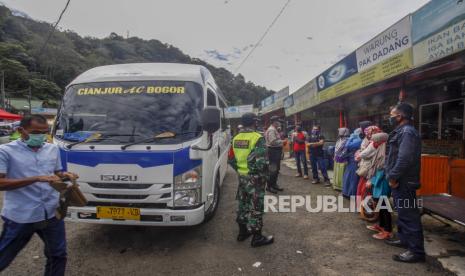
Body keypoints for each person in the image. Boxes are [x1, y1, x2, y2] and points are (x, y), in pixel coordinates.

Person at [0, 115, 78, 275]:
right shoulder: (5, 151)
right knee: (3, 256)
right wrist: (36, 178)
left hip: (51, 213)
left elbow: (56, 172)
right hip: (21, 216)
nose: (40, 136)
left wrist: (66, 175)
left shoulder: (52, 149)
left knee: (58, 255)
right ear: (21, 130)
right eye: (35, 132)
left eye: (44, 132)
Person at [384, 103, 425, 263]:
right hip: (399, 181)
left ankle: (416, 252)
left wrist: (393, 176)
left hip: (404, 182)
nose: (390, 117)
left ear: (400, 116)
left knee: (409, 216)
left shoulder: (407, 132)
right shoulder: (401, 131)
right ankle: (404, 240)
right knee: (402, 213)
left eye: (392, 114)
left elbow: (404, 159)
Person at [228, 112, 274, 247]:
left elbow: (231, 159)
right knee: (256, 207)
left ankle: (242, 233)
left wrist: (241, 171)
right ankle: (257, 237)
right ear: (254, 122)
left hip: (242, 178)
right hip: (255, 179)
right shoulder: (257, 138)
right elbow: (262, 163)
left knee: (243, 204)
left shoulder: (235, 138)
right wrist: (264, 177)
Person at [359, 131, 392, 240]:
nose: (373, 144)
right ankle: (381, 226)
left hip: (382, 183)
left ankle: (388, 231)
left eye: (375, 142)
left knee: (384, 207)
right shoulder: (379, 151)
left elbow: (382, 170)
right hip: (378, 183)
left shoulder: (386, 154)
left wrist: (372, 181)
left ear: (382, 142)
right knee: (380, 205)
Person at [264, 116, 284, 193]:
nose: (279, 123)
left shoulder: (274, 129)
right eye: (278, 121)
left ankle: (274, 184)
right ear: (274, 122)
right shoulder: (271, 130)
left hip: (276, 151)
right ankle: (269, 186)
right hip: (273, 151)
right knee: (273, 170)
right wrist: (282, 141)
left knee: (276, 169)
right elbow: (272, 142)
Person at [342, 128, 362, 197]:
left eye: (356, 132)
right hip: (350, 160)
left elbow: (347, 145)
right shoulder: (356, 139)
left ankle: (351, 193)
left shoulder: (359, 140)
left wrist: (350, 138)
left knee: (352, 178)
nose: (354, 133)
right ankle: (346, 192)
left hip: (354, 161)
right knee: (348, 177)